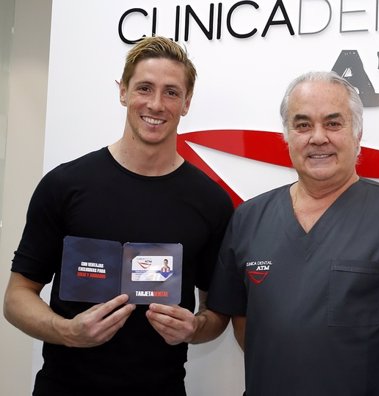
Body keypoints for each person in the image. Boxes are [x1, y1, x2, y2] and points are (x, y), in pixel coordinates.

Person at [3, 36, 233, 396]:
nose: (156, 104)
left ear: (187, 102)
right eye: (144, 88)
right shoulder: (65, 185)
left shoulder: (211, 202)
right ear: (123, 91)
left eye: (171, 92)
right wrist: (67, 331)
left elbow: (216, 315)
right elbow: (17, 297)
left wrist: (194, 328)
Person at [198, 71, 379, 395]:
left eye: (333, 123)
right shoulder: (248, 219)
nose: (317, 137)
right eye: (302, 125)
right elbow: (244, 323)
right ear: (286, 136)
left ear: (357, 134)